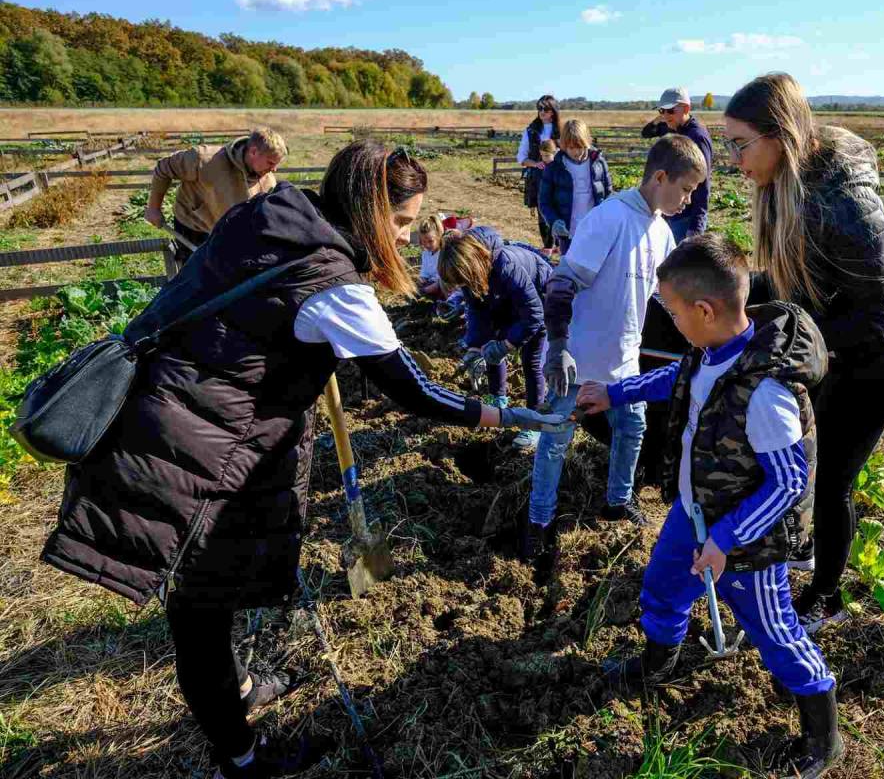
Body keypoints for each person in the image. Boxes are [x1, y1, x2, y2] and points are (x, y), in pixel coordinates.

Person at [41, 142, 567, 779]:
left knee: (207, 594)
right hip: (194, 447)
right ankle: (240, 758)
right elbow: (413, 391)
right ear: (371, 209)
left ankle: (237, 689)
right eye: (401, 223)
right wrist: (507, 415)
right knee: (199, 606)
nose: (405, 238)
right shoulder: (332, 284)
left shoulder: (273, 215)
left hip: (162, 405)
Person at [580, 235, 842, 778]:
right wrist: (615, 393)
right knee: (663, 585)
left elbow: (789, 481)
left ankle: (823, 735)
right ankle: (659, 662)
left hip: (748, 541)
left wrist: (725, 539)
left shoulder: (767, 392)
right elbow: (678, 381)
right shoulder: (710, 351)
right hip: (692, 513)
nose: (670, 321)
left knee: (776, 631)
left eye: (672, 311)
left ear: (704, 309)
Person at [724, 72, 884, 634]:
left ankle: (825, 598)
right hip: (835, 346)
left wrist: (790, 345)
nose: (734, 159)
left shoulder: (842, 201)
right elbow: (795, 285)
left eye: (740, 144)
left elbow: (876, 315)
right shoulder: (785, 189)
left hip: (879, 357)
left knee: (835, 477)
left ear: (779, 135)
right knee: (808, 463)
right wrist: (731, 292)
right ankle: (805, 553)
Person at [525, 134, 707, 564]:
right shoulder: (608, 220)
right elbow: (561, 284)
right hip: (578, 361)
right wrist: (557, 347)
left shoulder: (661, 231)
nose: (687, 201)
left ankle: (617, 502)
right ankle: (539, 521)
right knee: (554, 439)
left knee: (632, 429)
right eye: (685, 190)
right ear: (660, 176)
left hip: (625, 362)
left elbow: (666, 298)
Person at [437, 225, 554, 450]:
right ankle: (498, 400)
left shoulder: (506, 265)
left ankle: (535, 421)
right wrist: (474, 347)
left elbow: (534, 315)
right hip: (507, 302)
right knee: (490, 346)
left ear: (472, 266)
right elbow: (477, 311)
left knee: (531, 363)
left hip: (541, 300)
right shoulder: (472, 274)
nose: (463, 287)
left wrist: (507, 345)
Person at [145, 128, 288, 255]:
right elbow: (163, 169)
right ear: (254, 152)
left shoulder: (268, 181)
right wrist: (153, 208)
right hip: (193, 228)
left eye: (276, 164)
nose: (274, 169)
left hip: (227, 234)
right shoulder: (204, 159)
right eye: (270, 163)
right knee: (194, 278)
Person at [641, 87, 713, 242]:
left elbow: (703, 183)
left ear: (686, 108)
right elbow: (645, 132)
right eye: (662, 110)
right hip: (668, 211)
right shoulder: (670, 128)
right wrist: (661, 119)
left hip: (685, 218)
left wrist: (696, 226)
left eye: (671, 110)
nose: (666, 115)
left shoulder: (697, 136)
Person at [538, 119, 613, 254]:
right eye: (571, 148)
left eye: (580, 147)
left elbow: (608, 196)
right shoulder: (554, 168)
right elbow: (544, 201)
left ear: (587, 143)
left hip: (594, 231)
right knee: (570, 270)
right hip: (568, 233)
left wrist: (606, 220)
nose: (576, 152)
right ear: (563, 145)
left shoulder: (599, 164)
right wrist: (554, 221)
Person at [516, 95, 561, 249]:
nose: (541, 112)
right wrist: (535, 164)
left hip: (560, 177)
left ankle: (560, 246)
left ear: (553, 111)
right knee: (543, 211)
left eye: (545, 108)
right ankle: (548, 246)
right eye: (539, 108)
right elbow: (521, 157)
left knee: (561, 209)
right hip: (539, 177)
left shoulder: (562, 131)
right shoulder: (531, 131)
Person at [417, 214, 446, 298]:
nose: (427, 245)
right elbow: (425, 271)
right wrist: (422, 279)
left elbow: (445, 277)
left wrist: (433, 287)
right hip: (430, 282)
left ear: (439, 236)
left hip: (442, 284)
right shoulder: (425, 254)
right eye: (423, 241)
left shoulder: (444, 252)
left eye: (431, 241)